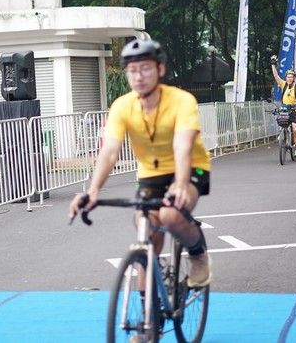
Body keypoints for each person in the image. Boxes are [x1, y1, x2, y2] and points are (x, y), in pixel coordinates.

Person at [69, 38, 212, 289]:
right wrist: (92, 191)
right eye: (132, 71)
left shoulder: (182, 100)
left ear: (160, 69)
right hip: (151, 174)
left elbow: (182, 145)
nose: (138, 76)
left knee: (170, 215)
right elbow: (109, 152)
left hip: (190, 167)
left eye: (145, 69)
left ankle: (198, 252)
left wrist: (180, 185)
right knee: (146, 228)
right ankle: (148, 312)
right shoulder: (122, 106)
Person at [270, 55, 296, 157]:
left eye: (291, 77)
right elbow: (276, 76)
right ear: (286, 78)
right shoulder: (283, 84)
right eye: (288, 77)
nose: (289, 79)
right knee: (281, 122)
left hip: (295, 110)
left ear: (294, 78)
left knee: (295, 129)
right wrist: (273, 64)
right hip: (284, 109)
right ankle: (282, 134)